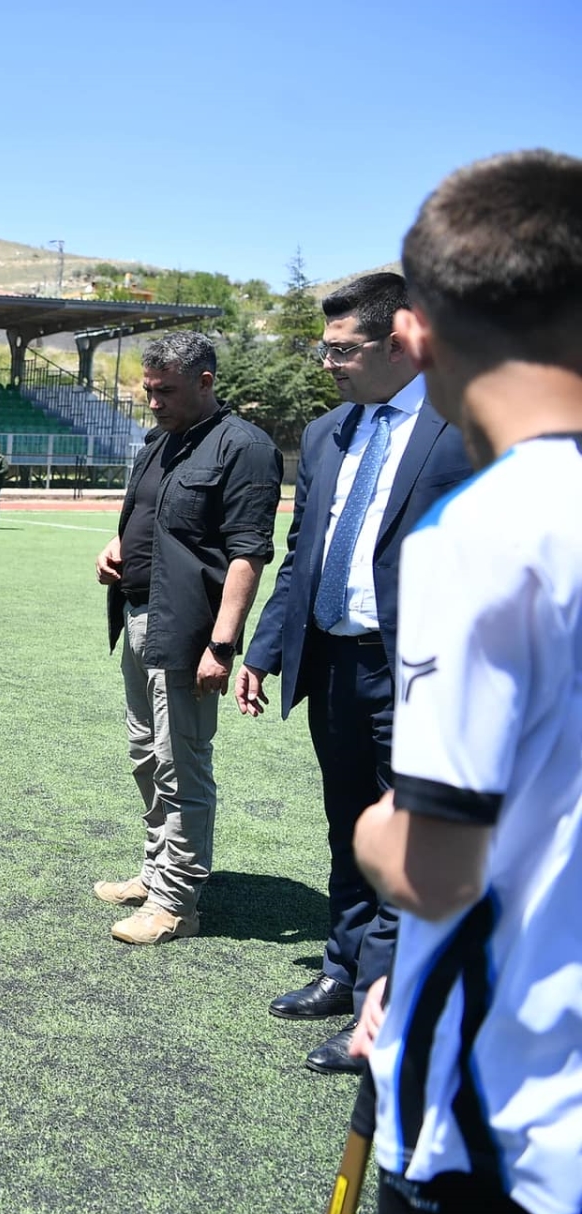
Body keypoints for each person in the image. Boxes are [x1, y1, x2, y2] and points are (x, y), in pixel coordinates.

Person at [348, 148, 582, 1214]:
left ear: (418, 332)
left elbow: (434, 870)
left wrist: (369, 831)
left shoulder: (487, 532)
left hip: (510, 1119)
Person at [237, 272, 471, 1074]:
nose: (325, 363)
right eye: (322, 347)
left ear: (399, 339)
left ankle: (387, 1001)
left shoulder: (465, 424)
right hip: (333, 663)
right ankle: (342, 965)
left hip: (422, 672)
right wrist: (265, 649)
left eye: (341, 349)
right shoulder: (328, 431)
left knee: (406, 840)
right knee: (348, 823)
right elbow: (303, 553)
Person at [93, 331, 281, 944]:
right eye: (148, 390)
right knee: (146, 755)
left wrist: (222, 646)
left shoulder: (244, 448)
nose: (153, 402)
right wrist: (118, 546)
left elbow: (248, 555)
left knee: (182, 765)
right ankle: (154, 873)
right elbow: (150, 517)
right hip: (139, 616)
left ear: (205, 382)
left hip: (190, 631)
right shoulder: (161, 441)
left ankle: (177, 903)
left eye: (165, 391)